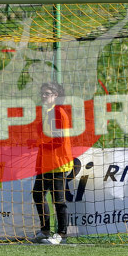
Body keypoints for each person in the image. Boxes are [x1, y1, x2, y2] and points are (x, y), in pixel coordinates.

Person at [31, 81, 73, 245]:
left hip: (58, 163)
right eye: (42, 93)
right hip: (46, 163)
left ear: (56, 96)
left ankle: (61, 234)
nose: (43, 96)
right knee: (38, 194)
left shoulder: (58, 113)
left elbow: (58, 141)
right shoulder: (48, 112)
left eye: (47, 93)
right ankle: (45, 230)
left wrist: (39, 143)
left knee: (58, 200)